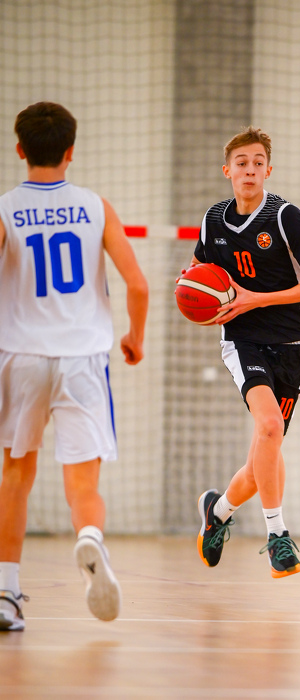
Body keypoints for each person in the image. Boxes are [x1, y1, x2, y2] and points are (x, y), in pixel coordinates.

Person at [0, 102, 149, 630]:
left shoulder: (6, 208)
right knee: (83, 485)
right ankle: (89, 538)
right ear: (70, 151)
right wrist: (134, 337)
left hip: (21, 356)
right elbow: (137, 285)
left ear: (20, 149)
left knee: (15, 476)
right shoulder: (95, 206)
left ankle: (6, 593)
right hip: (83, 358)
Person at [192, 126, 300, 578]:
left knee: (260, 461)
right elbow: (199, 269)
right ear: (227, 170)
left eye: (257, 163)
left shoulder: (285, 217)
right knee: (268, 425)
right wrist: (191, 284)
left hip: (291, 345)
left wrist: (255, 297)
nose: (249, 170)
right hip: (243, 339)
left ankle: (217, 513)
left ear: (268, 170)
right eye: (241, 163)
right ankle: (277, 536)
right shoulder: (213, 219)